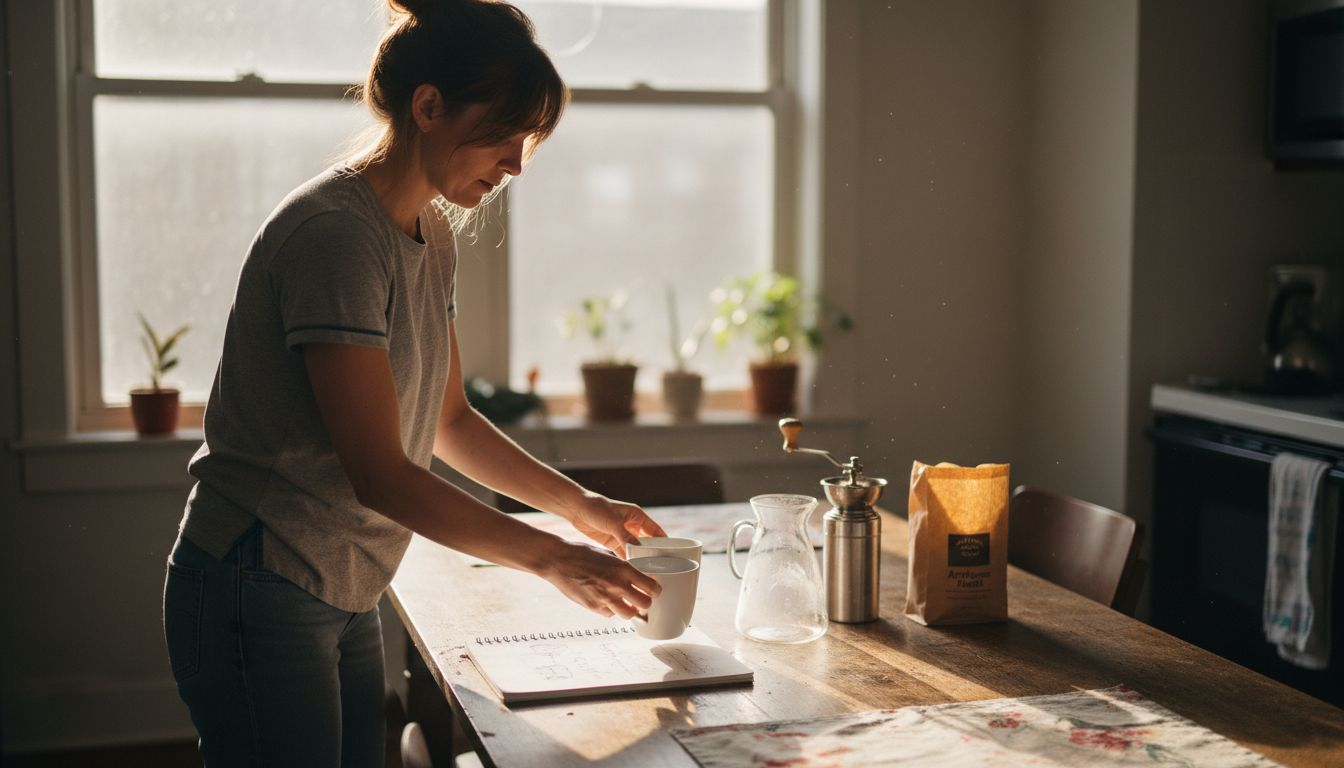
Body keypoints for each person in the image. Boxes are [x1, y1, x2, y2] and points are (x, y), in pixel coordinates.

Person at [161, 1, 667, 765]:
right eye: (504, 135)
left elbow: (449, 420)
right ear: (428, 106)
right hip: (257, 579)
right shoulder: (335, 234)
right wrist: (549, 557)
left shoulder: (432, 236)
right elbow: (382, 476)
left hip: (344, 581)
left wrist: (579, 507)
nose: (516, 164)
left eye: (527, 141)